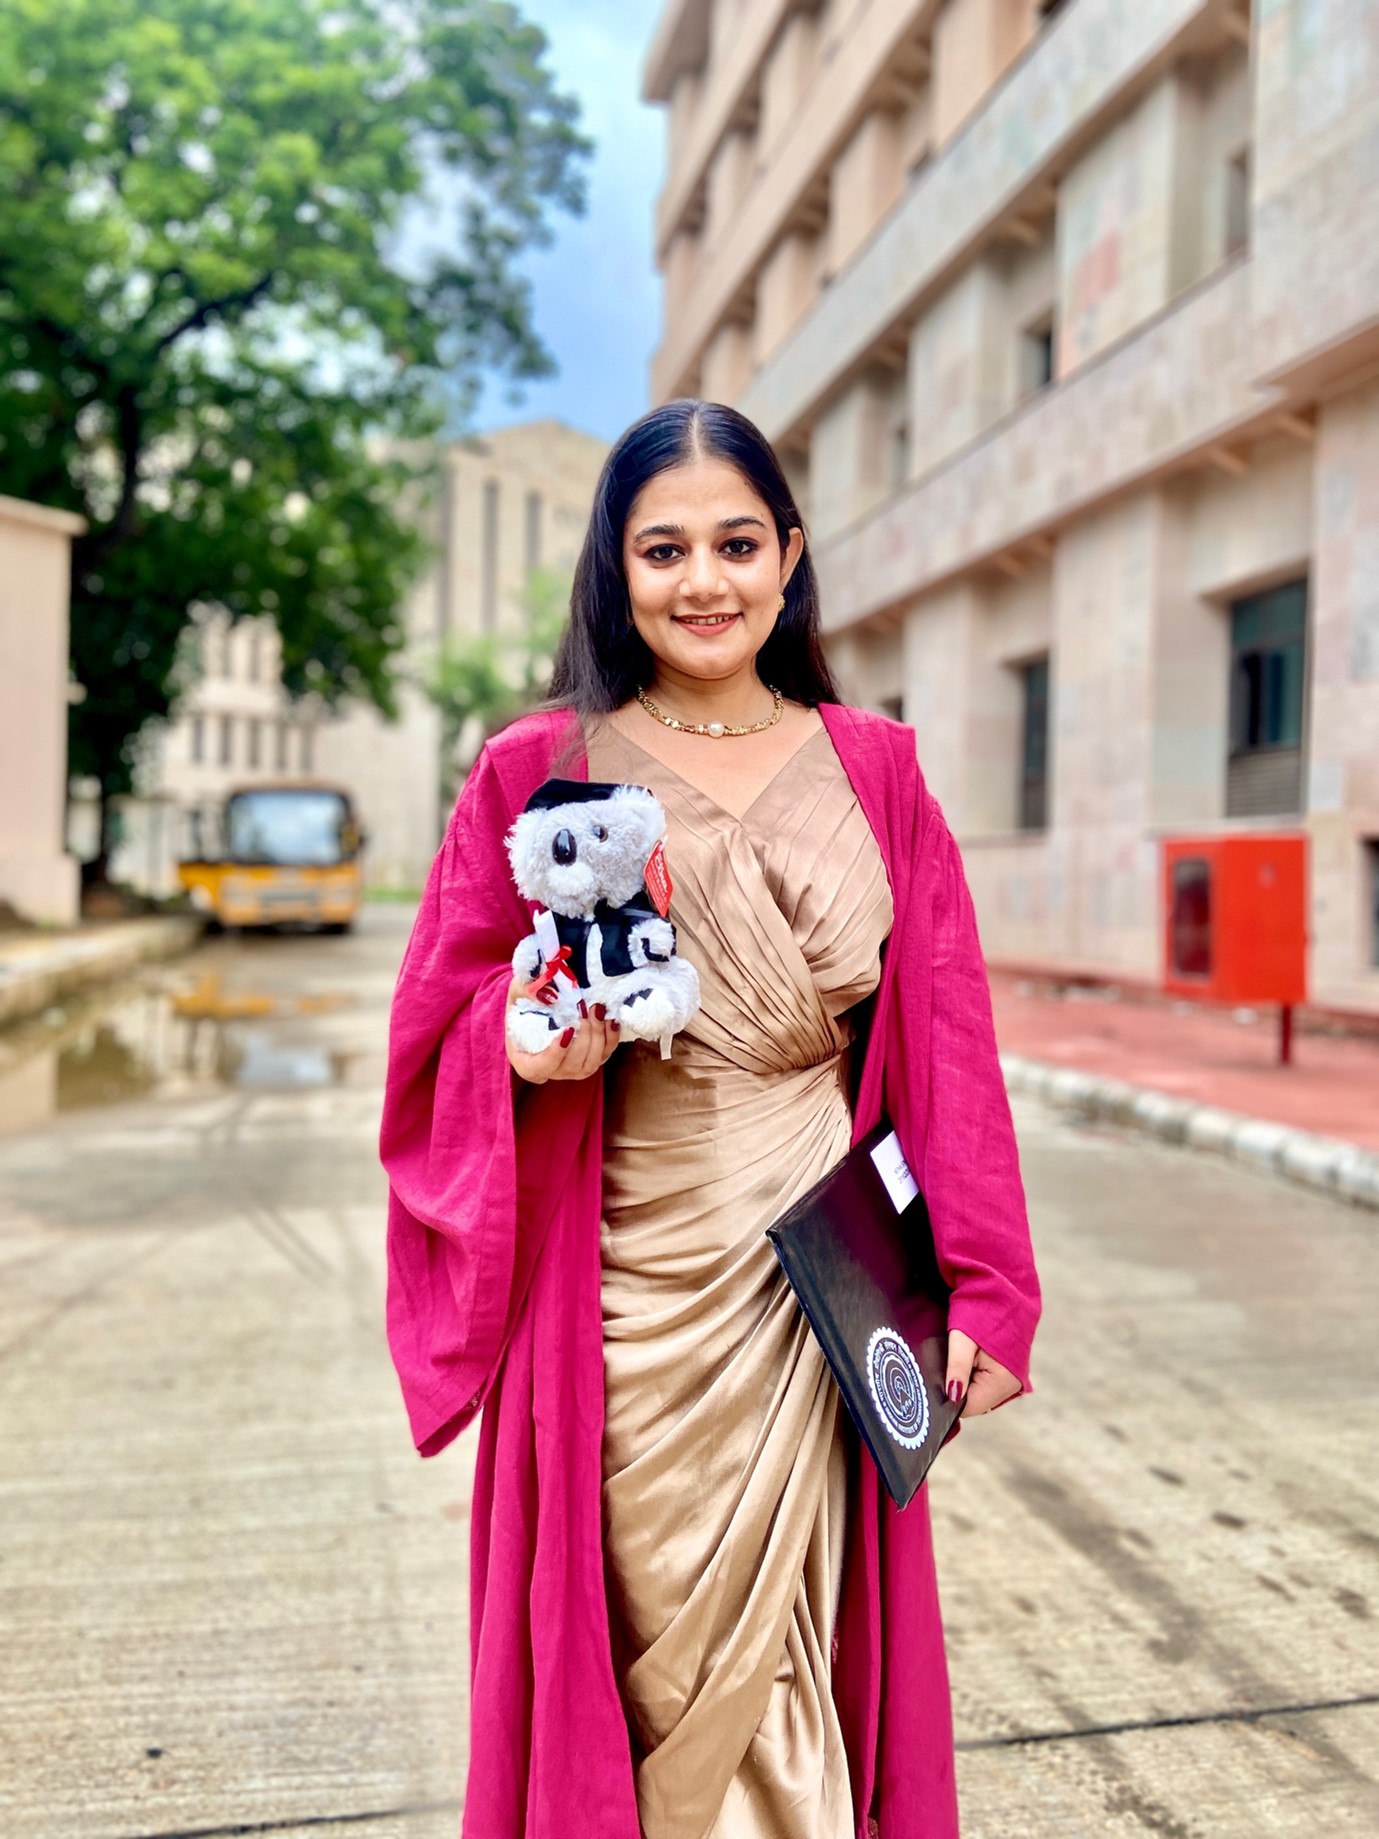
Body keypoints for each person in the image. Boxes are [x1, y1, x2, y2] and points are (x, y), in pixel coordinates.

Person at [380, 400, 1041, 1839]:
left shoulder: (878, 769)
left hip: (827, 1269)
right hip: (628, 1294)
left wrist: (986, 1282)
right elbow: (437, 1025)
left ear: (790, 557)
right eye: (663, 548)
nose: (704, 581)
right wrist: (528, 1039)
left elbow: (947, 1043)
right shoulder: (535, 772)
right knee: (646, 1645)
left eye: (737, 543)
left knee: (805, 1640)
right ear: (616, 573)